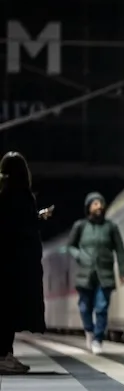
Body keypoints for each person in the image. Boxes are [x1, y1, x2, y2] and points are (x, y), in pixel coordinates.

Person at [0, 151, 50, 375]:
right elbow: (21, 228)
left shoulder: (3, 193)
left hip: (5, 263)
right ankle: (3, 356)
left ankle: (5, 354)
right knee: (9, 312)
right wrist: (37, 218)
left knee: (4, 311)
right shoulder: (22, 196)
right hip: (17, 265)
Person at [67, 192, 124, 354]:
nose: (99, 206)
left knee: (101, 307)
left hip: (105, 274)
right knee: (84, 307)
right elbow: (70, 246)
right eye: (95, 203)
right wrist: (79, 255)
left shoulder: (111, 227)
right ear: (88, 207)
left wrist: (123, 271)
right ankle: (89, 331)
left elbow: (120, 250)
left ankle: (98, 339)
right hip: (85, 274)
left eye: (101, 203)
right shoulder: (80, 226)